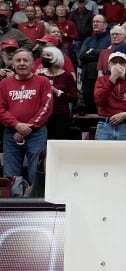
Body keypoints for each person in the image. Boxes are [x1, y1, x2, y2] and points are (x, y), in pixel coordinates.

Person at [0, 48, 52, 184]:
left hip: (37, 133)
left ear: (33, 63)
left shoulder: (43, 81)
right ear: (12, 64)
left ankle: (35, 201)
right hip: (11, 133)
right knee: (10, 174)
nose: (22, 63)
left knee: (37, 171)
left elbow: (46, 107)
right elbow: (0, 108)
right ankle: (12, 204)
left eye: (25, 60)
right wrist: (16, 125)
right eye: (18, 60)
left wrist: (29, 126)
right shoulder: (4, 83)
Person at [94, 52, 126, 141]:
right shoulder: (101, 81)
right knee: (102, 154)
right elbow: (99, 101)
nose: (118, 65)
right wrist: (112, 78)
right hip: (105, 126)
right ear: (108, 66)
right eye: (114, 62)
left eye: (121, 63)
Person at [41, 46, 78, 140]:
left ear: (56, 57)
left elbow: (74, 98)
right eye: (44, 55)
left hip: (60, 116)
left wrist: (57, 92)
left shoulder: (67, 76)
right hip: (43, 116)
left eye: (48, 55)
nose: (45, 58)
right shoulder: (40, 76)